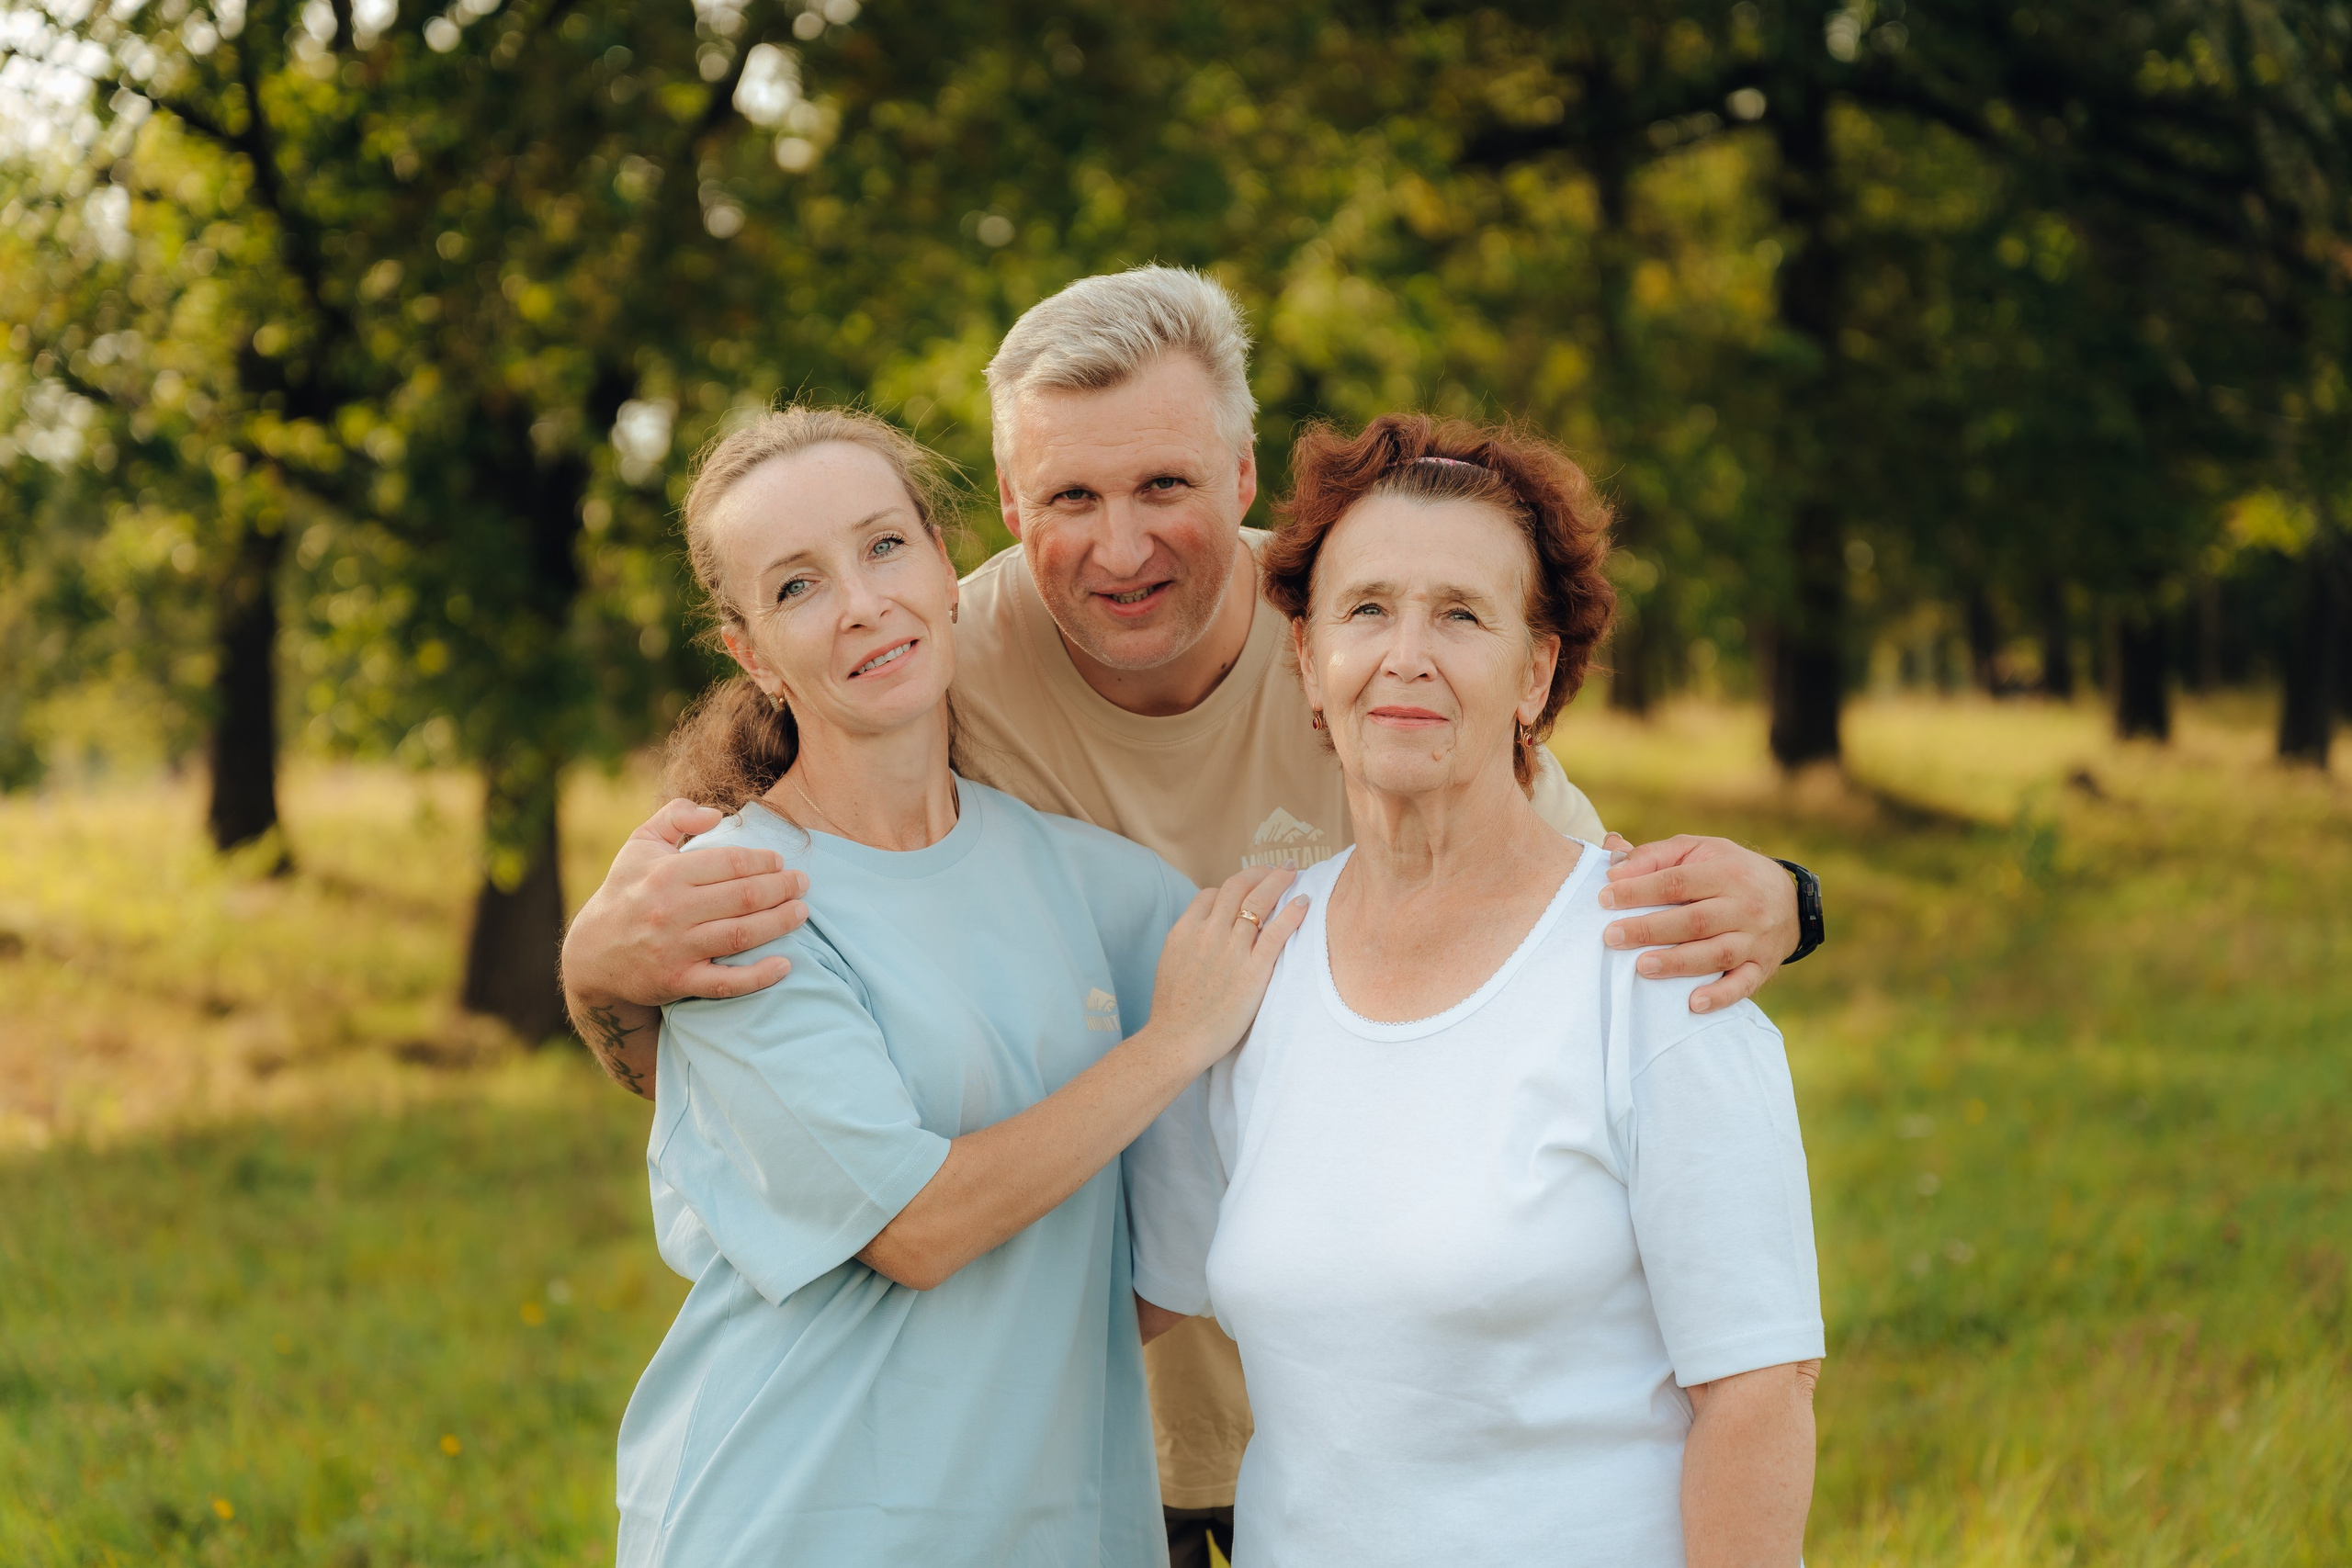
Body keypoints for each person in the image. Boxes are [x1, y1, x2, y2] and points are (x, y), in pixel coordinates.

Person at [563, 267, 1824, 1564]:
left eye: (1163, 484)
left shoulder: (1362, 620)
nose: (1120, 548)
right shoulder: (910, 689)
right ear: (1004, 515)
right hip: (1037, 1443)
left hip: (1269, 1431)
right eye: (1070, 498)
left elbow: (1561, 917)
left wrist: (1788, 900)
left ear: (1240, 477)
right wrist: (595, 968)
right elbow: (813, 1102)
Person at [612, 405, 1307, 1565]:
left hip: (1058, 1524)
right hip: (794, 1518)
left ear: (946, 568)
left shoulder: (1108, 888)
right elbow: (917, 1228)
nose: (860, 603)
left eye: (884, 547)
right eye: (796, 587)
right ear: (750, 653)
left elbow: (1167, 1243)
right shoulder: (735, 901)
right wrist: (1167, 1046)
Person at [1148, 413, 1824, 1566]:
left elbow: (1757, 1394)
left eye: (1460, 614)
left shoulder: (1652, 970)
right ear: (1306, 658)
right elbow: (1129, 1300)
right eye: (1367, 610)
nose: (1406, 654)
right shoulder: (1250, 963)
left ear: (1535, 672)